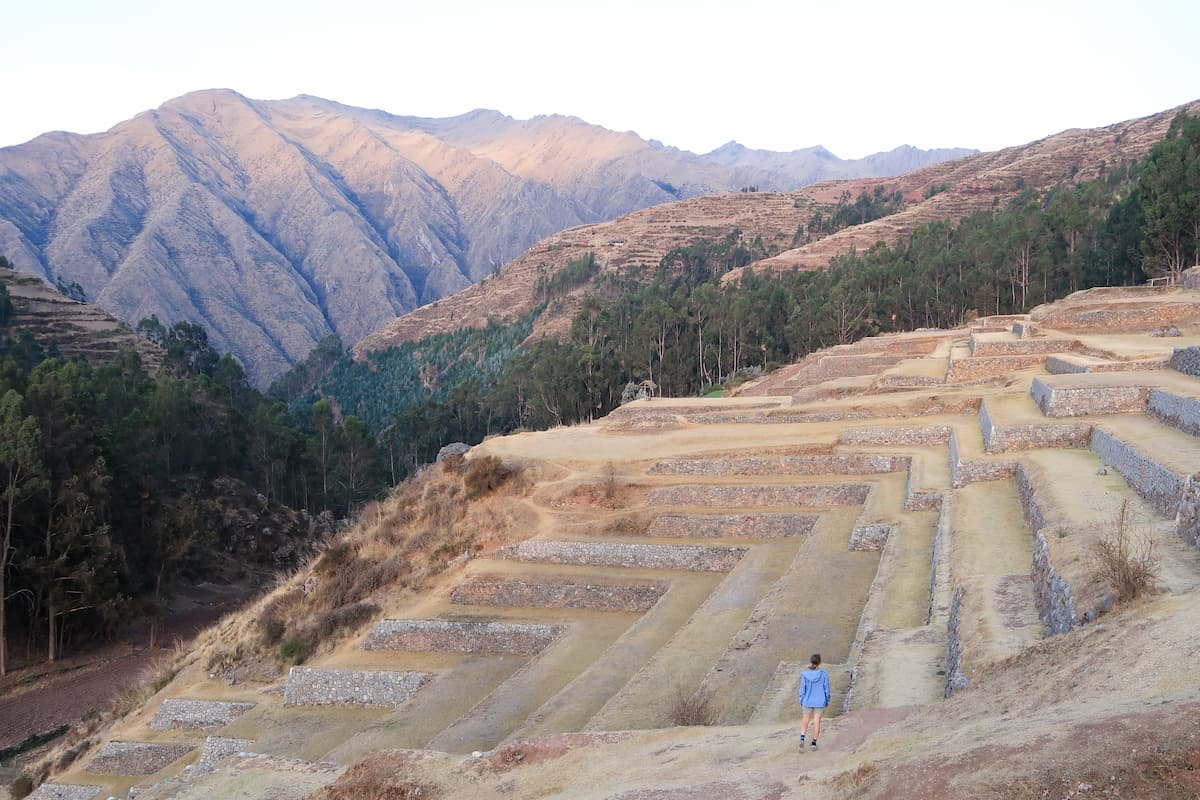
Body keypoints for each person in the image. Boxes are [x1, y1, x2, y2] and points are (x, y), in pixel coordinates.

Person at [798, 653, 830, 751]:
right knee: (817, 722)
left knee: (805, 720)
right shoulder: (823, 674)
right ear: (819, 662)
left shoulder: (805, 674)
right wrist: (827, 700)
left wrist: (801, 700)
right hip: (820, 701)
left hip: (807, 700)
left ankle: (802, 738)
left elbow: (802, 689)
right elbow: (826, 689)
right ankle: (814, 743)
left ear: (811, 661)